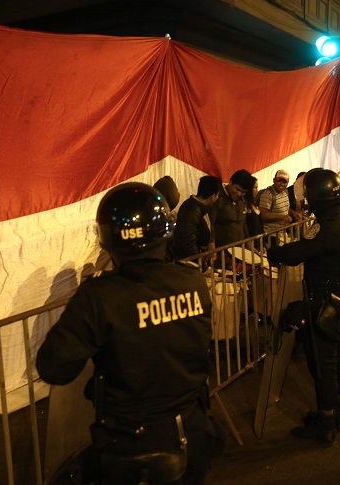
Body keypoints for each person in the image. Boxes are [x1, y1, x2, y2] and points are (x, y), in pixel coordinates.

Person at [36, 182, 221, 485]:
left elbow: (53, 367)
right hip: (195, 431)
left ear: (109, 241)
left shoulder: (100, 296)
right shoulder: (192, 280)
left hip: (134, 448)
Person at [267, 169, 340, 444]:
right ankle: (337, 413)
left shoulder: (327, 224)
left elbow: (299, 253)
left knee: (324, 365)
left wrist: (274, 253)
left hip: (325, 304)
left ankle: (326, 422)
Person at [170, 175, 221, 262]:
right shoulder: (191, 210)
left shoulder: (202, 207)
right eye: (218, 195)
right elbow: (188, 243)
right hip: (187, 263)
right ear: (213, 197)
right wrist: (201, 265)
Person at [210, 169, 253, 248]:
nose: (239, 194)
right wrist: (211, 245)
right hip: (221, 252)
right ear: (230, 182)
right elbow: (210, 224)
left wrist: (249, 243)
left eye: (243, 192)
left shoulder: (243, 200)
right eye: (237, 189)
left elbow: (243, 223)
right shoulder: (217, 197)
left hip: (240, 251)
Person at [259, 169, 293, 246]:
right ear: (274, 180)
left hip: (282, 234)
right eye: (279, 181)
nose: (282, 184)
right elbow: (263, 215)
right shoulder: (268, 194)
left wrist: (293, 214)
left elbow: (284, 208)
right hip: (271, 235)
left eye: (284, 182)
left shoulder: (285, 192)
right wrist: (282, 217)